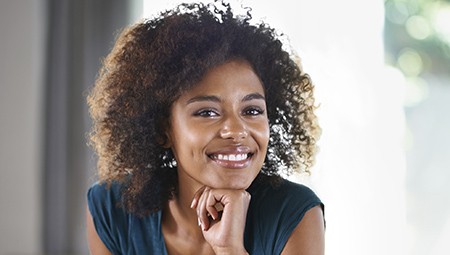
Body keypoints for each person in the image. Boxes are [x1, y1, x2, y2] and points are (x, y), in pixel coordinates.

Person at [86, 1, 325, 254]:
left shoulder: (295, 214)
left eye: (252, 110)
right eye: (207, 112)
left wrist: (229, 248)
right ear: (162, 129)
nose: (236, 130)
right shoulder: (112, 211)